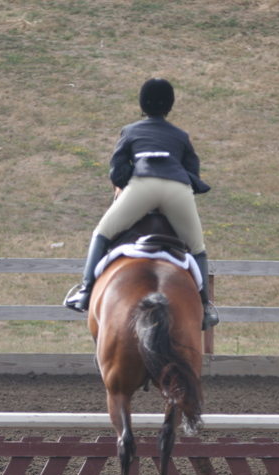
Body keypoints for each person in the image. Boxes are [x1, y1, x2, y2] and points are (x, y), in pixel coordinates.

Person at [64, 78, 219, 330]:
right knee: (197, 248)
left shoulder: (130, 131)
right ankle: (205, 308)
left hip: (142, 186)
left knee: (102, 233)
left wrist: (126, 182)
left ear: (142, 105)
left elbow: (117, 171)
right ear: (169, 106)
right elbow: (193, 171)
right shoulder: (181, 136)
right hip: (176, 189)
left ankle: (85, 291)